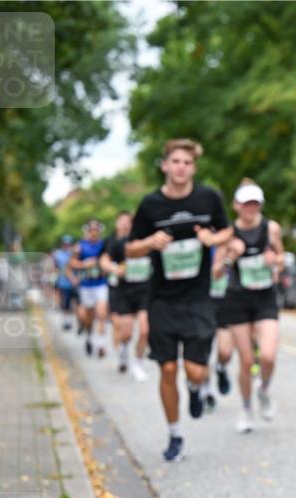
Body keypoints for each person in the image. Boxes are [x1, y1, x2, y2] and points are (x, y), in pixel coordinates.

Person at [126, 138, 233, 462]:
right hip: (162, 298)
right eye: (175, 161)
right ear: (165, 166)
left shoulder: (208, 197)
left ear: (193, 168)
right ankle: (175, 434)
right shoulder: (150, 205)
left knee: (195, 371)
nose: (181, 167)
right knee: (168, 368)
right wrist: (149, 243)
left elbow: (227, 232)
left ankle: (197, 388)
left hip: (198, 297)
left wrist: (212, 238)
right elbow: (130, 248)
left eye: (187, 162)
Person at [213, 179, 284, 433]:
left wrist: (274, 260)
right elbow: (216, 273)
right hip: (238, 299)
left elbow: (282, 260)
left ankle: (263, 390)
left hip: (265, 297)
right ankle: (245, 408)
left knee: (267, 356)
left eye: (255, 204)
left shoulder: (271, 228)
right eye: (246, 204)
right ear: (237, 206)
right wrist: (232, 256)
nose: (251, 209)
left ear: (261, 205)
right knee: (246, 361)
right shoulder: (228, 233)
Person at [100, 211, 150, 381]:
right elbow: (104, 260)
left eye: (128, 221)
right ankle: (123, 350)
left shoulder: (146, 240)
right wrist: (114, 269)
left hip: (144, 290)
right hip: (124, 291)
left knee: (144, 330)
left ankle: (138, 362)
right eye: (121, 221)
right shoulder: (117, 243)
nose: (125, 224)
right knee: (126, 332)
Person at [69, 220, 110, 357]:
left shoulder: (103, 245)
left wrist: (105, 266)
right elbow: (72, 263)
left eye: (96, 230)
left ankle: (101, 343)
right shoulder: (80, 246)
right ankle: (89, 336)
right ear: (87, 231)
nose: (94, 232)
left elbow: (109, 259)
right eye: (91, 230)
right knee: (88, 316)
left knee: (102, 313)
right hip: (86, 285)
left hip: (101, 283)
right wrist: (84, 264)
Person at [52, 235, 78, 330]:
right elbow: (55, 267)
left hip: (74, 281)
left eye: (68, 244)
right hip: (63, 282)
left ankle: (72, 319)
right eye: (65, 244)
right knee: (65, 302)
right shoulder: (58, 254)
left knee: (74, 302)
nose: (67, 245)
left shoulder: (74, 253)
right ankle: (65, 319)